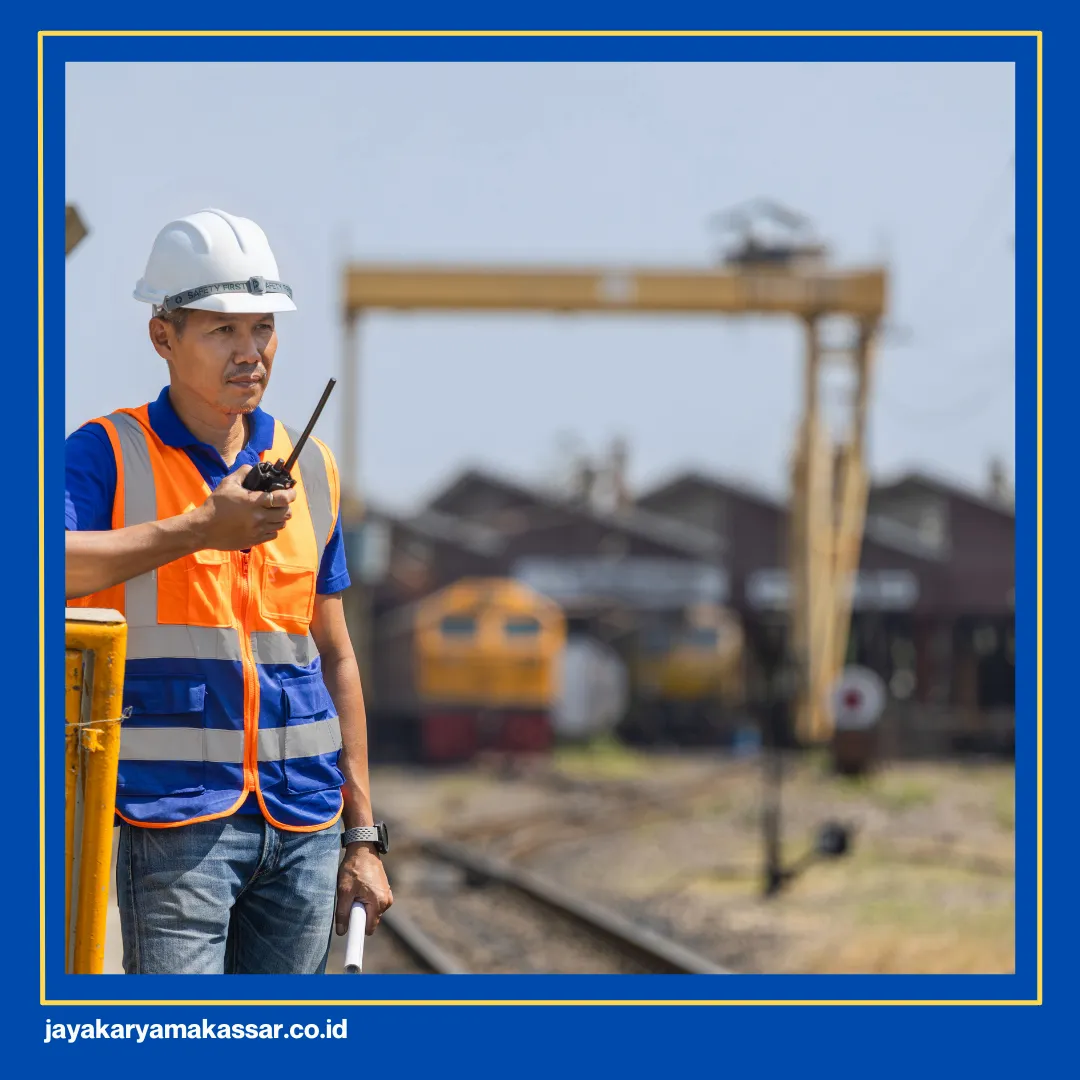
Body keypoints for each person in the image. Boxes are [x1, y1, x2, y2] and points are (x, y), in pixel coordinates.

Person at [65, 208, 392, 974]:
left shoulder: (314, 470)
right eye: (222, 331)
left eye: (263, 328)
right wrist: (200, 528)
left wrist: (362, 836)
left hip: (305, 824)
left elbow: (336, 657)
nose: (251, 352)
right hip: (174, 822)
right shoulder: (105, 453)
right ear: (163, 336)